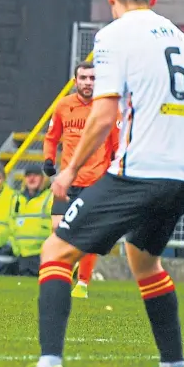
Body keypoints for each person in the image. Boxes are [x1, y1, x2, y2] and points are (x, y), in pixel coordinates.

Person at [13, 0, 184, 367]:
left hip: (138, 173)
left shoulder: (113, 36)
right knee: (144, 261)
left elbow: (104, 113)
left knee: (55, 251)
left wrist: (69, 170)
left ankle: (50, 364)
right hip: (182, 179)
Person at [43, 61, 120, 298]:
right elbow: (51, 137)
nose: (88, 82)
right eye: (84, 77)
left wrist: (116, 173)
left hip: (96, 181)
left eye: (93, 78)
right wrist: (48, 159)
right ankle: (70, 267)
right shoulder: (64, 106)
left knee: (87, 234)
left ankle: (83, 284)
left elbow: (117, 146)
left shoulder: (108, 109)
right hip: (67, 180)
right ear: (75, 80)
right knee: (58, 228)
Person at [10, 165, 53, 277]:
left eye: (35, 175)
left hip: (43, 255)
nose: (31, 179)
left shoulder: (50, 197)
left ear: (42, 179)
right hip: (22, 255)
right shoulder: (17, 199)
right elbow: (11, 224)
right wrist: (16, 248)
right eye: (28, 176)